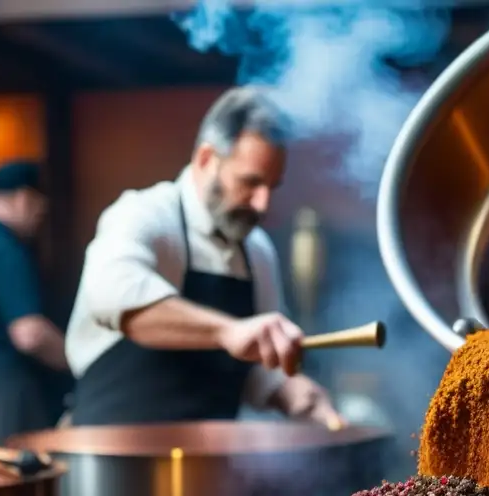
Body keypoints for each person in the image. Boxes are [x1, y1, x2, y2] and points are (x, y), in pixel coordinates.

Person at [65, 86, 343, 428]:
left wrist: (290, 391)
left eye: (272, 187)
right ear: (207, 159)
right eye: (250, 182)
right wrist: (228, 330)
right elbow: (114, 297)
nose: (262, 204)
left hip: (212, 467)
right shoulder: (143, 214)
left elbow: (259, 360)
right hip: (114, 462)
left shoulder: (257, 250)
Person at [0, 160, 69, 445]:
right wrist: (77, 361)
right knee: (14, 477)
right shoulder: (8, 251)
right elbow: (29, 334)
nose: (41, 212)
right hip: (9, 390)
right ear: (23, 198)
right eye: (38, 203)